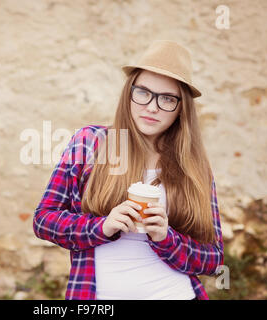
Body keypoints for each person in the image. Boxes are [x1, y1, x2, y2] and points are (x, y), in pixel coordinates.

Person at [33, 40, 224, 300]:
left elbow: (213, 260)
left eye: (167, 99)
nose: (153, 106)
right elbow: (44, 220)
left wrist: (166, 238)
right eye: (143, 92)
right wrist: (102, 226)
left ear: (182, 109)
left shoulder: (194, 166)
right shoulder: (90, 143)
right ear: (129, 92)